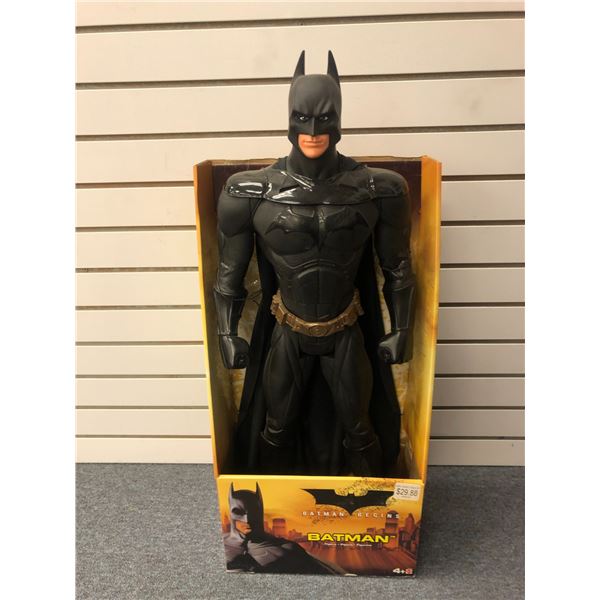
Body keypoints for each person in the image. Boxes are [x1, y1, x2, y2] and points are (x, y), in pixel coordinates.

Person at [213, 51, 414, 477]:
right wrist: (227, 333)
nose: (313, 131)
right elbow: (229, 273)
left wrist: (403, 329)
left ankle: (372, 508)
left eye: (324, 119)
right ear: (288, 118)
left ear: (339, 119)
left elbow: (397, 266)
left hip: (345, 329)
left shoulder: (379, 189)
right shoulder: (249, 192)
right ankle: (269, 505)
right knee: (276, 428)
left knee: (360, 429)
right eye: (302, 119)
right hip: (287, 330)